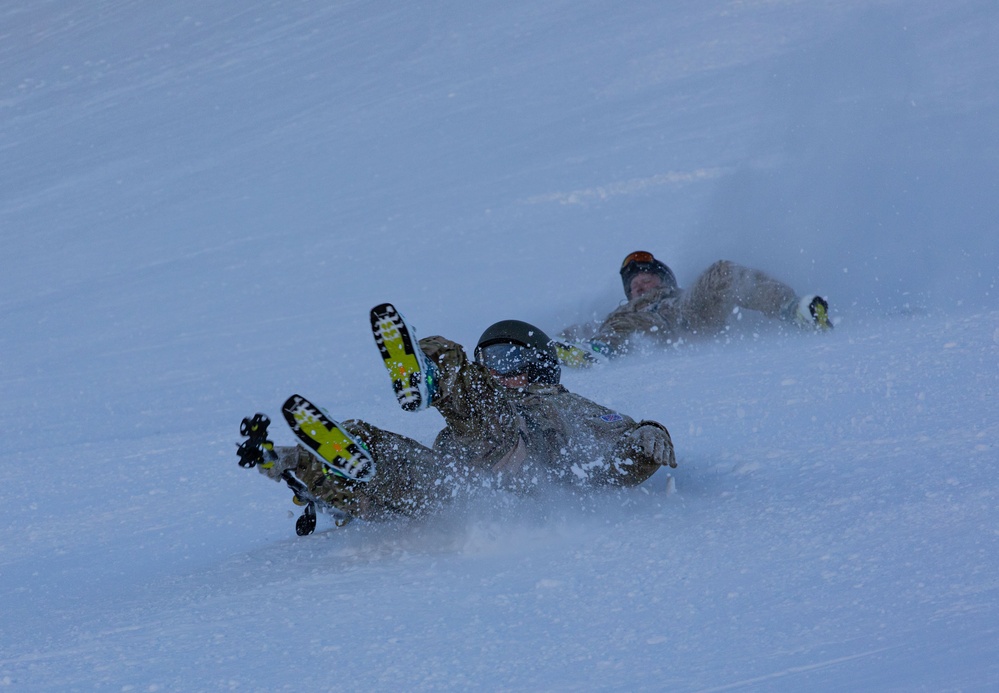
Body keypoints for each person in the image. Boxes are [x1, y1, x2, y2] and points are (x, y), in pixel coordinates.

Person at [238, 303, 675, 528]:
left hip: (525, 475)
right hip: (464, 493)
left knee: (483, 403)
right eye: (489, 359)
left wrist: (647, 439)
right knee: (373, 452)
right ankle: (327, 461)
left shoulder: (562, 402)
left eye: (507, 359)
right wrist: (296, 463)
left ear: (539, 365)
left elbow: (620, 444)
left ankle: (430, 373)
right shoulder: (480, 405)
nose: (495, 370)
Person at [557, 251, 832, 360]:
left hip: (692, 317)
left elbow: (711, 290)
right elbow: (577, 334)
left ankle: (794, 310)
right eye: (634, 287)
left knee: (723, 270)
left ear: (664, 280)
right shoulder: (623, 313)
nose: (640, 287)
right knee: (611, 322)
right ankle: (598, 353)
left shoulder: (681, 295)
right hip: (645, 330)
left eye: (647, 280)